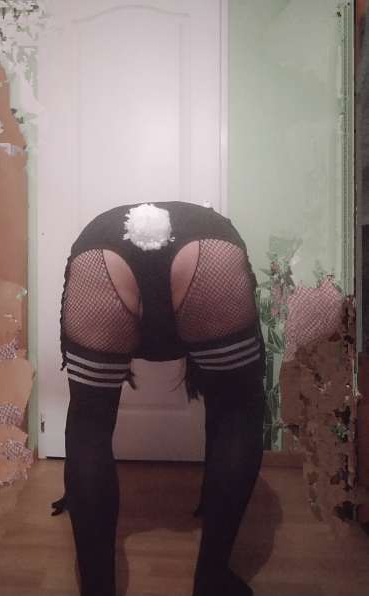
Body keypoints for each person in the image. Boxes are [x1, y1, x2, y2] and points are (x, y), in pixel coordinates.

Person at [51, 201, 266, 596]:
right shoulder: (209, 227)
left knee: (88, 427)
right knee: (236, 413)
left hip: (101, 255)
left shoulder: (103, 232)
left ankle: (97, 589)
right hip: (210, 252)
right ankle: (212, 578)